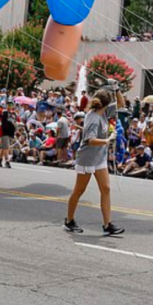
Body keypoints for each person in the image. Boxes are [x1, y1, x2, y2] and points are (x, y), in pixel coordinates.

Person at [64, 87, 126, 235]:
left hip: (99, 158)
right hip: (87, 159)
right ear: (106, 103)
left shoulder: (104, 112)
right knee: (79, 190)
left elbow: (121, 104)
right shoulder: (93, 118)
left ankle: (107, 225)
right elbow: (90, 140)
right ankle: (69, 220)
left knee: (106, 188)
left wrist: (116, 89)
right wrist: (107, 140)